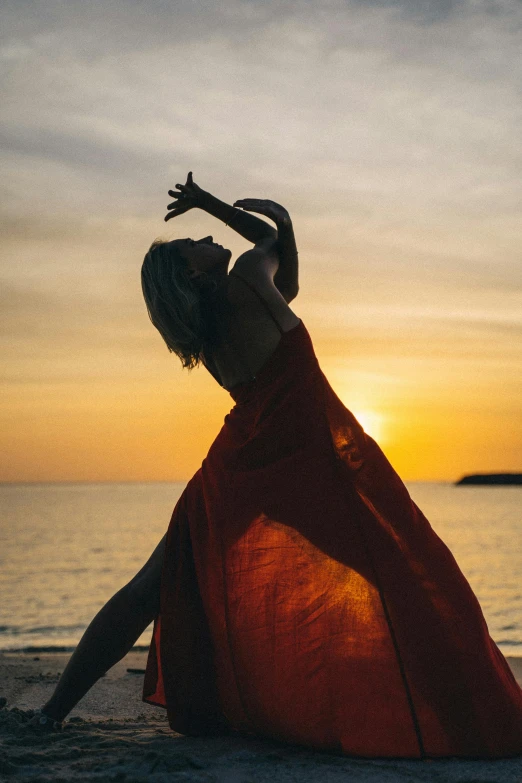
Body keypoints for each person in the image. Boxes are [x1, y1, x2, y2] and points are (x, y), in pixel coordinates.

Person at [22, 174, 522, 758]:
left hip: (239, 469)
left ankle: (53, 712)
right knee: (416, 577)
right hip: (310, 465)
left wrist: (276, 229)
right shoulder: (243, 282)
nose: (207, 237)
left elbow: (285, 274)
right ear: (193, 273)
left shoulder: (210, 328)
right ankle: (466, 716)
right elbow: (269, 247)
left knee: (145, 593)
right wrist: (257, 215)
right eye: (195, 243)